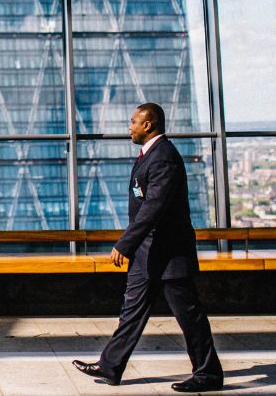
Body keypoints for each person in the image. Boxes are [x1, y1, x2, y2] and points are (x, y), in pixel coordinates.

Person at [72, 103, 223, 393]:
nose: (129, 127)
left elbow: (154, 207)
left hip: (168, 254)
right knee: (131, 311)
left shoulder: (164, 158)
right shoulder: (150, 155)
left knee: (189, 316)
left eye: (133, 122)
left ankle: (208, 373)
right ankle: (110, 365)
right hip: (147, 255)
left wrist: (125, 243)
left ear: (149, 125)